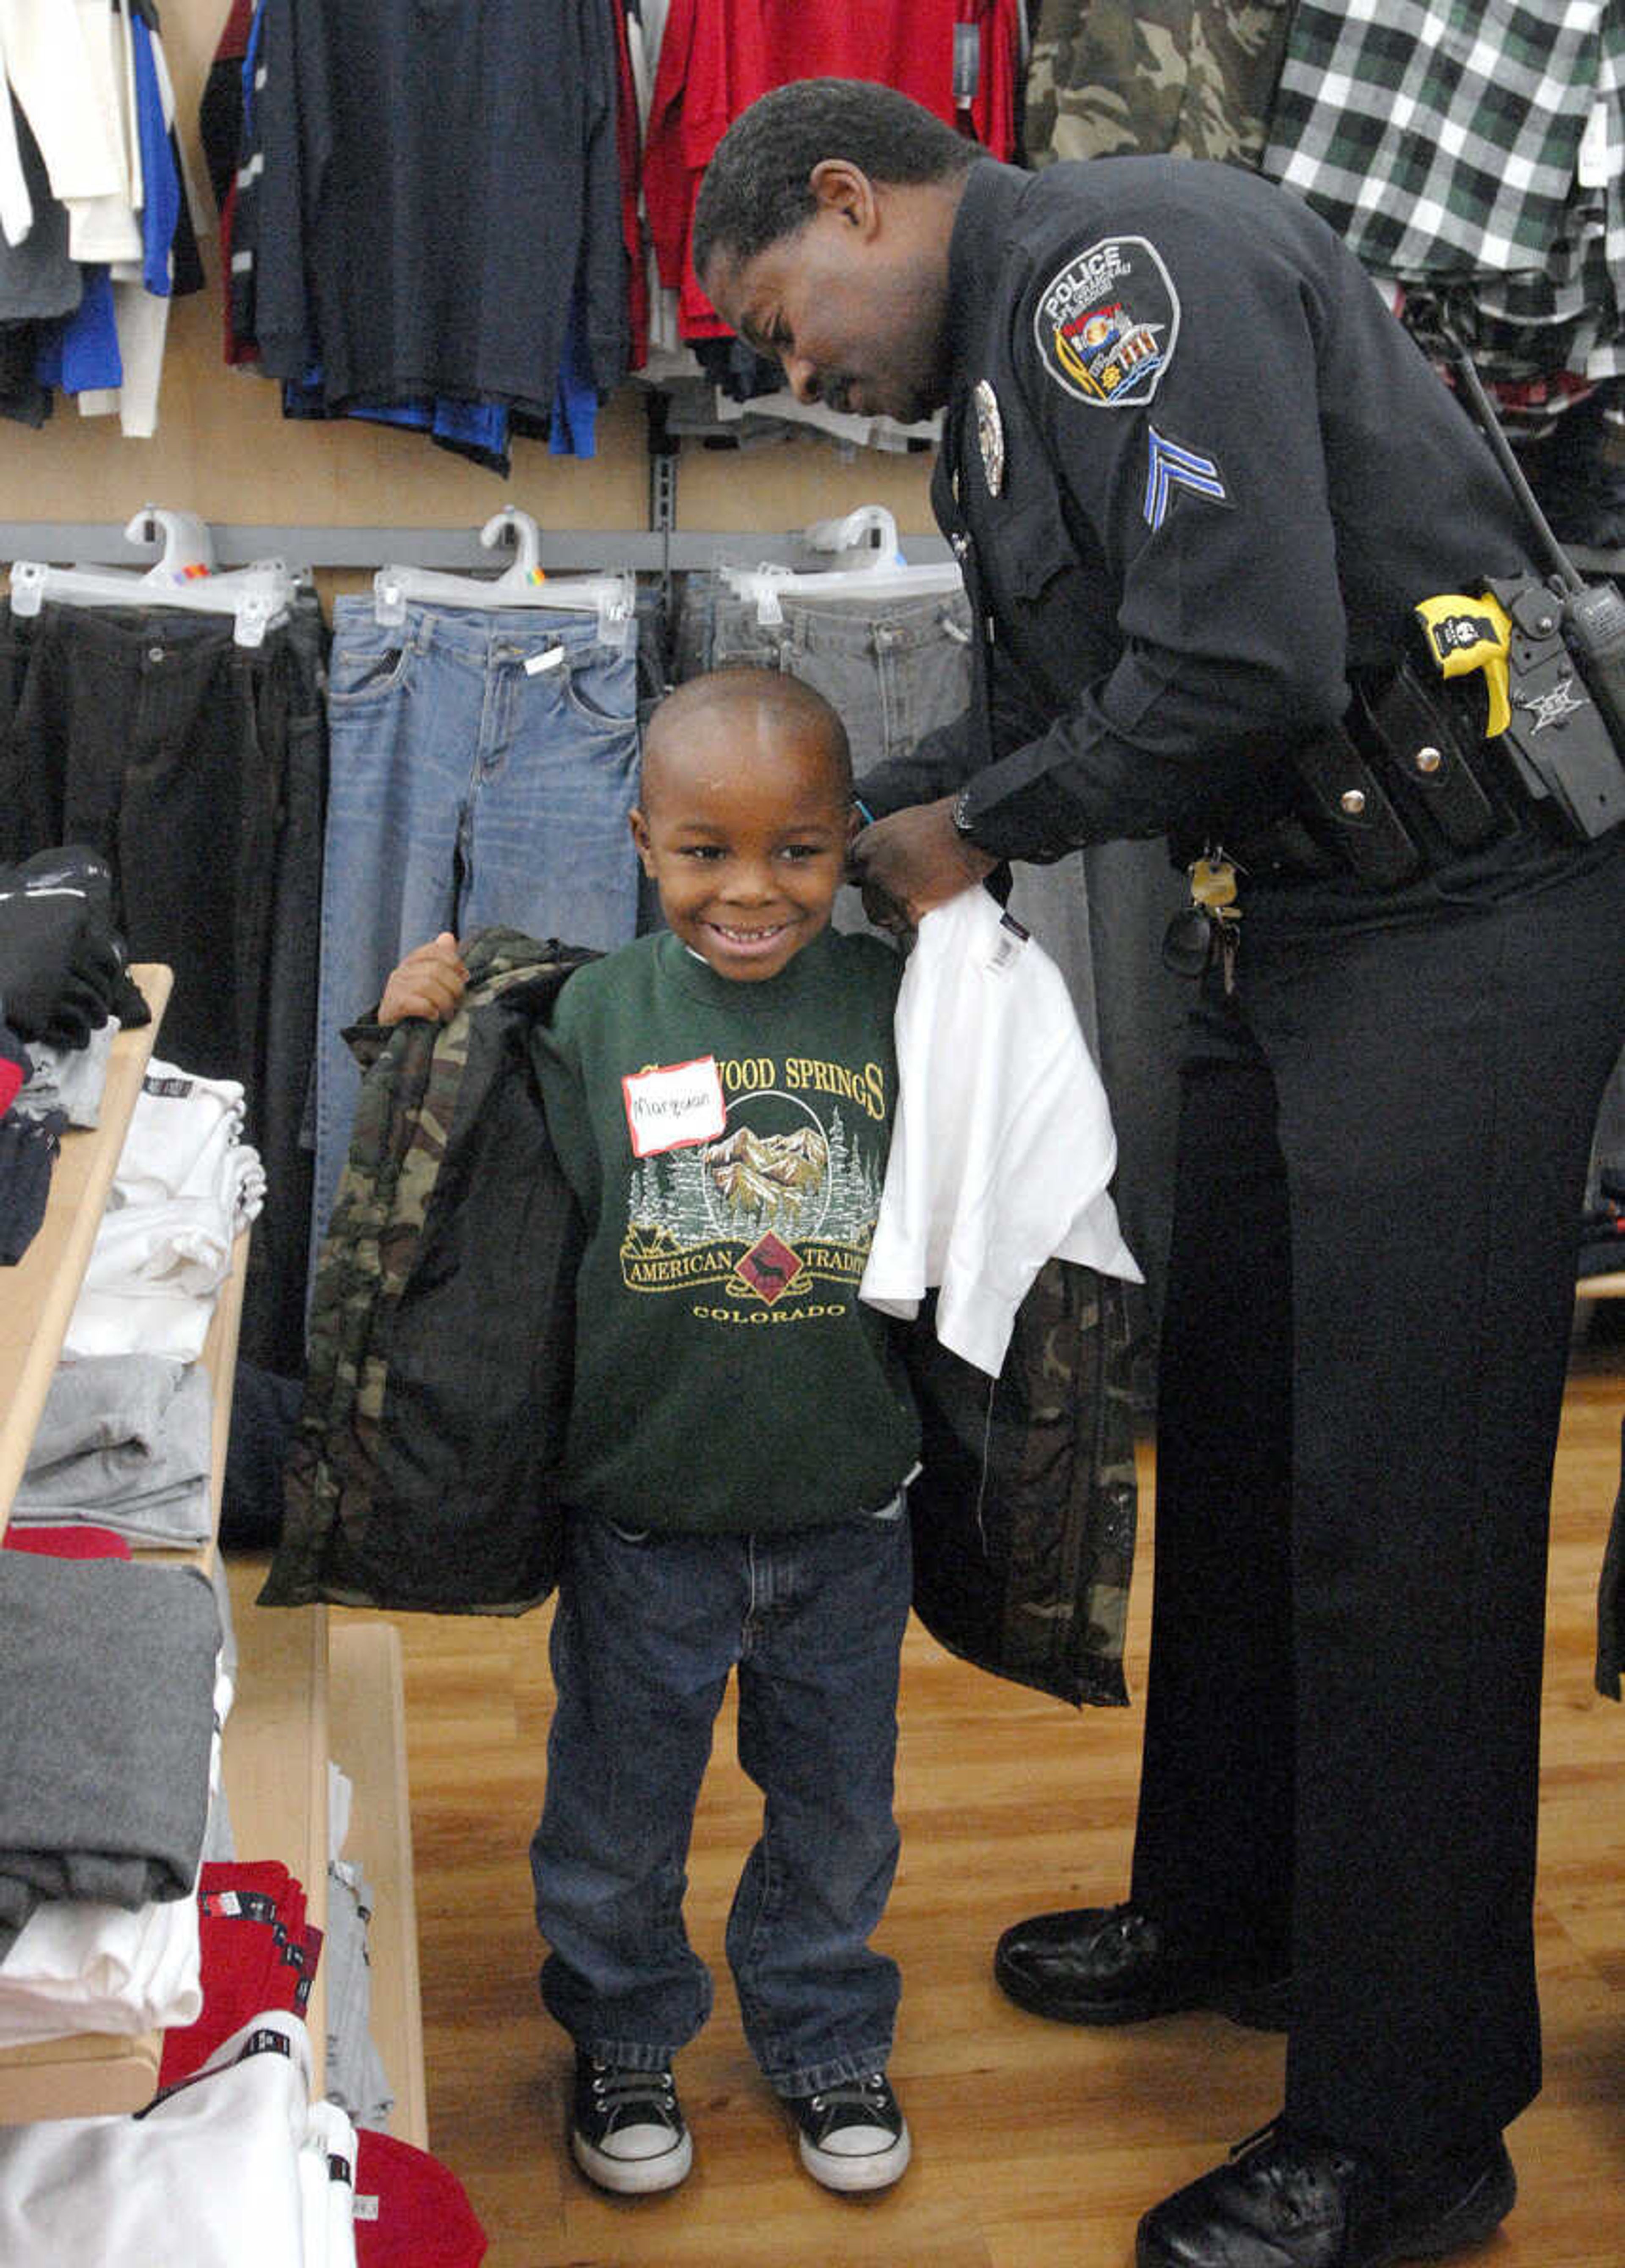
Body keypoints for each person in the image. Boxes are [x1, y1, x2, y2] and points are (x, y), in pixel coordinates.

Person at [692, 77, 1625, 2268]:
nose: (790, 370)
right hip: (1298, 920)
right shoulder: (1003, 395)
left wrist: (967, 836)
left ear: (850, 197)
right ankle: (1240, 1908)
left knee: (1405, 1528)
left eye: (781, 315)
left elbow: (1243, 657)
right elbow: (1065, 700)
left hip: (1464, 913)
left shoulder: (1119, 271)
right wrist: (796, 844)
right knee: (1230, 1440)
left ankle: (1408, 2138)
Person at [377, 667, 920, 2199]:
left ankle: (824, 2033)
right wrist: (417, 1030)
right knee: (616, 1818)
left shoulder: (897, 1003)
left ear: (847, 842)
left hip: (846, 1514)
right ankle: (622, 2035)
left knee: (838, 1812)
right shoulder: (593, 1014)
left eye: (798, 851)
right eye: (705, 852)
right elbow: (469, 1174)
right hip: (643, 1521)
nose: (751, 890)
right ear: (642, 842)